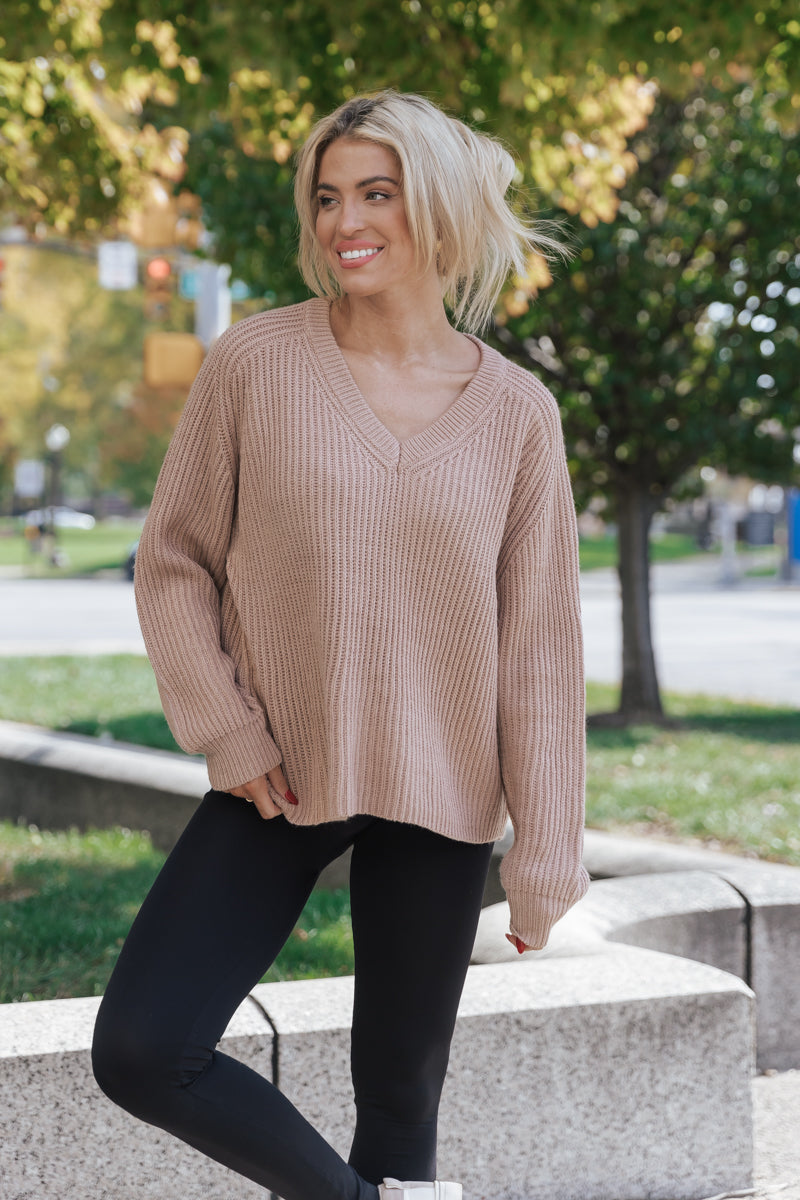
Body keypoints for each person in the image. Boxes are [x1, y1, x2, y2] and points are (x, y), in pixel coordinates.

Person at [91, 90, 589, 1200]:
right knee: (143, 1048)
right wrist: (225, 727)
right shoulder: (255, 364)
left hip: (444, 788)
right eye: (326, 198)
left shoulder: (518, 415)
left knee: (399, 1106)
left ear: (440, 210)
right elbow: (173, 562)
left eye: (376, 194)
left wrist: (548, 846)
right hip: (277, 774)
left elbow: (540, 647)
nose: (343, 222)